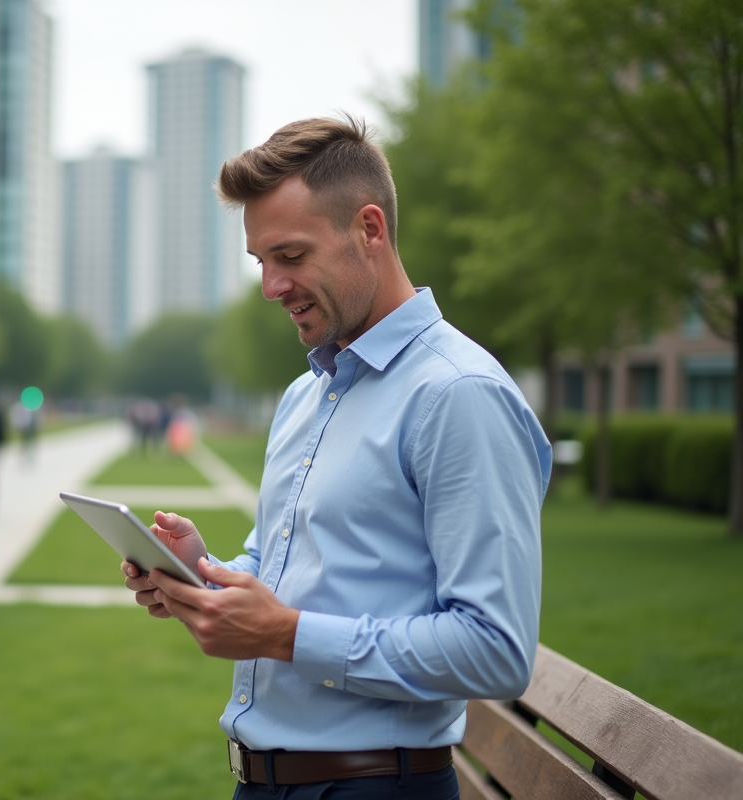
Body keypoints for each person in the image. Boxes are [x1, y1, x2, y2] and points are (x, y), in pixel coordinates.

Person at [123, 116, 552, 800]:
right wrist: (200, 576)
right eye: (260, 261)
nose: (270, 285)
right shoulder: (305, 394)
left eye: (289, 256)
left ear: (370, 230)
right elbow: (279, 570)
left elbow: (495, 650)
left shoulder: (458, 395)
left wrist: (288, 635)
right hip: (262, 782)